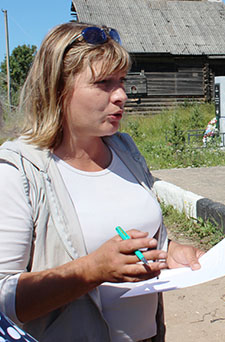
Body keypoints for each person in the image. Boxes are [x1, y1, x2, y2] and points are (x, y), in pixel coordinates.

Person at [0, 22, 204, 342]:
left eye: (121, 81)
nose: (121, 95)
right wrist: (91, 271)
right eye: (104, 83)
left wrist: (170, 253)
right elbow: (3, 299)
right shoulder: (18, 171)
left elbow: (144, 242)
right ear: (57, 87)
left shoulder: (125, 150)